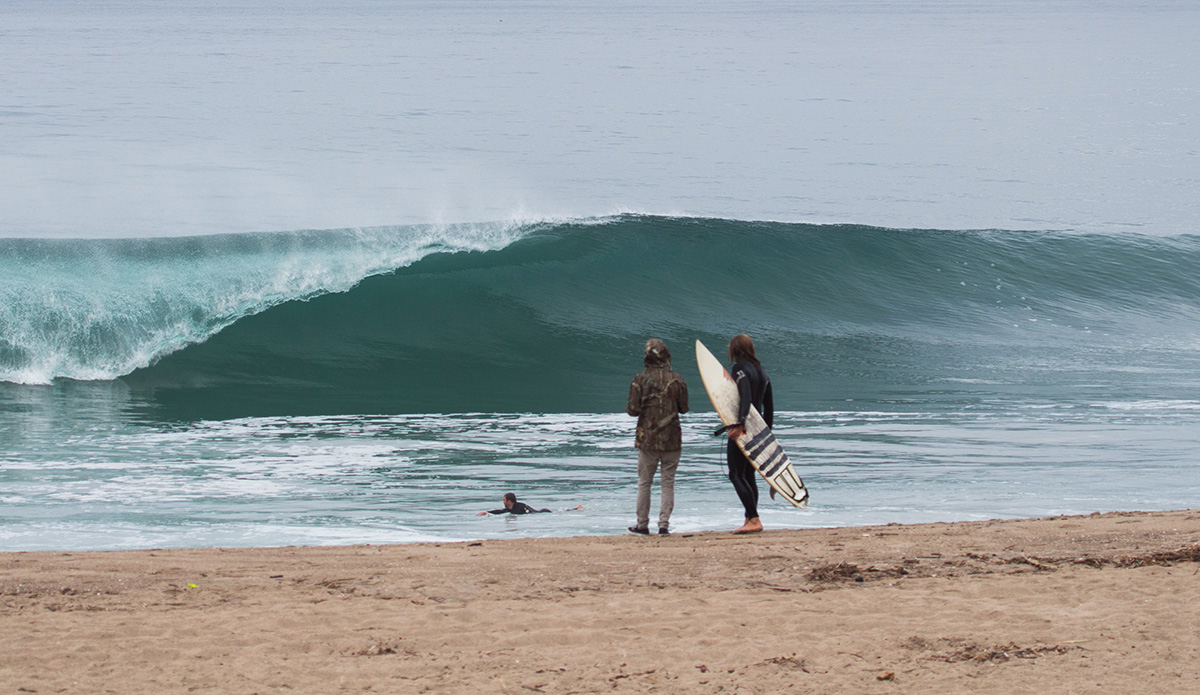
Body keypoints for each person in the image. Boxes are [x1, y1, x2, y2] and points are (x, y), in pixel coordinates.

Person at [625, 338, 688, 535]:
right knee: (667, 482)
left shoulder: (639, 379)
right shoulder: (678, 379)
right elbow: (684, 409)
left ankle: (642, 525)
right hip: (672, 439)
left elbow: (633, 410)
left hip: (648, 440)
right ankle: (664, 525)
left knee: (645, 482)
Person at [723, 333, 774, 534]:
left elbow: (745, 395)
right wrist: (767, 433)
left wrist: (740, 424)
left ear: (735, 350)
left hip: (743, 427)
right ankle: (749, 518)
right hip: (758, 428)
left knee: (736, 473)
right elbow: (769, 406)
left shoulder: (739, 369)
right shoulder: (762, 372)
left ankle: (754, 518)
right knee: (748, 474)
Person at [476, 492, 552, 516]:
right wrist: (487, 513)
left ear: (508, 501)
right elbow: (500, 511)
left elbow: (527, 514)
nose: (503, 502)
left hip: (544, 512)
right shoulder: (509, 509)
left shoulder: (520, 506)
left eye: (504, 500)